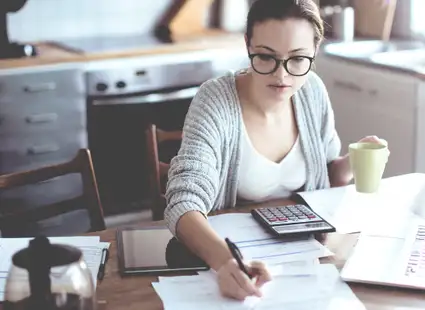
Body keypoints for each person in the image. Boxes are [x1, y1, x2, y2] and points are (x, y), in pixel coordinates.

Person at [164, 0, 387, 301]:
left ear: (314, 51)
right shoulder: (215, 100)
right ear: (248, 45)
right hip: (232, 262)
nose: (282, 76)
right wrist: (225, 262)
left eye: (297, 59)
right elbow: (183, 202)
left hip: (305, 265)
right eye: (267, 57)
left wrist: (350, 163)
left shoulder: (312, 91)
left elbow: (327, 174)